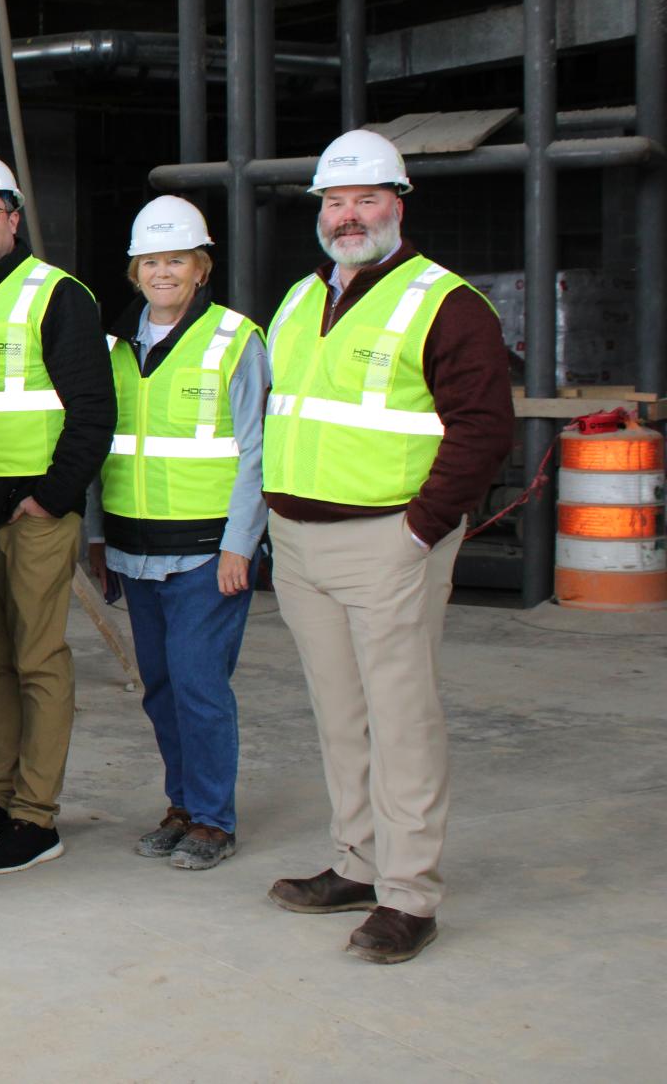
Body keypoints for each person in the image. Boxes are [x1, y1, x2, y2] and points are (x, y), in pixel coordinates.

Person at [262, 129, 512, 964]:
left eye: (366, 199)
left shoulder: (447, 303)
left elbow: (484, 428)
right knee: (342, 716)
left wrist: (421, 526)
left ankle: (410, 895)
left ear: (397, 204)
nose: (348, 215)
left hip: (388, 540)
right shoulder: (300, 299)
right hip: (299, 543)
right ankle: (359, 863)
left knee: (402, 720)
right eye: (334, 202)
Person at [0, 152, 114, 876]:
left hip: (31, 512)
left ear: (13, 216)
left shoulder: (56, 295)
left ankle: (37, 815)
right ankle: (0, 798)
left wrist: (53, 496)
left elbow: (94, 410)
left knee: (38, 661)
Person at [85, 196, 269, 871]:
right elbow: (103, 450)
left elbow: (258, 451)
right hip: (134, 551)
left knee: (199, 684)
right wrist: (100, 539)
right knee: (160, 687)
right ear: (136, 271)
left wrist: (241, 543)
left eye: (178, 260)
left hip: (206, 554)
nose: (164, 272)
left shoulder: (234, 339)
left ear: (201, 268)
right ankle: (183, 805)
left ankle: (215, 818)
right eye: (152, 261)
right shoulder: (113, 347)